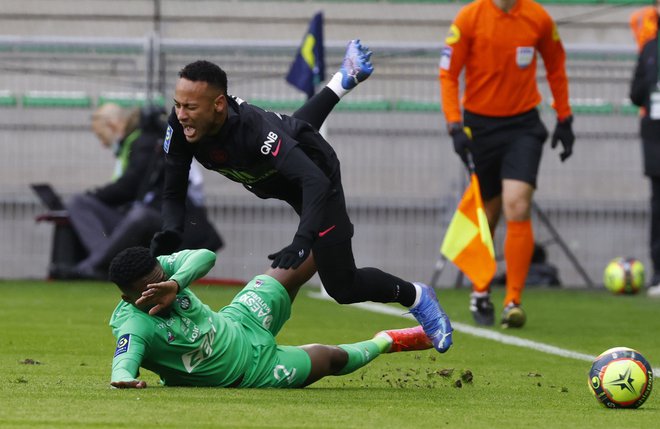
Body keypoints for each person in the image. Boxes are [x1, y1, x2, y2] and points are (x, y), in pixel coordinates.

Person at [149, 40, 453, 353]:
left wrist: (303, 240)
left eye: (190, 107)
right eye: (178, 104)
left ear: (218, 105)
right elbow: (173, 187)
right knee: (295, 130)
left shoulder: (254, 133)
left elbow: (313, 181)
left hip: (318, 178)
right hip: (280, 172)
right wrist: (170, 229)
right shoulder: (181, 124)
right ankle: (343, 79)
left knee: (342, 286)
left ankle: (418, 296)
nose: (181, 115)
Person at [109, 246, 435, 388]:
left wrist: (176, 282)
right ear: (128, 297)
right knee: (331, 358)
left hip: (240, 320)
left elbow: (205, 256)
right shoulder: (135, 324)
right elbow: (125, 358)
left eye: (160, 279)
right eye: (148, 290)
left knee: (301, 256)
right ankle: (387, 340)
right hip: (253, 371)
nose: (159, 289)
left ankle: (334, 229)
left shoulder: (164, 271)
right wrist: (124, 377)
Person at [439, 0, 575, 327]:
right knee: (488, 211)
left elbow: (556, 65)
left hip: (523, 126)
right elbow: (448, 74)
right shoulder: (470, 18)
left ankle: (513, 299)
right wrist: (454, 125)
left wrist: (564, 117)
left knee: (517, 203)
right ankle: (481, 289)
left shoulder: (538, 17)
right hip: (480, 127)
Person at [63, 104, 222, 280]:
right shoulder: (137, 143)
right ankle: (101, 261)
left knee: (137, 215)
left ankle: (97, 265)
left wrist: (95, 196)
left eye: (101, 136)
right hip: (148, 212)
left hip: (168, 219)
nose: (103, 144)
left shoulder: (145, 141)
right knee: (80, 203)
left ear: (112, 125)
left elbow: (128, 187)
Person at [629, 0, 660, 297]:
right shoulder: (650, 48)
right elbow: (635, 93)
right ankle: (659, 273)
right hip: (655, 134)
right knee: (658, 204)